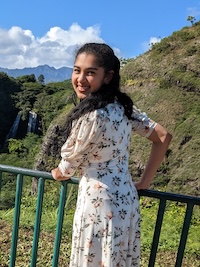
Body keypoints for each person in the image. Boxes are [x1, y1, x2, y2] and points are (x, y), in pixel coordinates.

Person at [51, 43, 172, 267]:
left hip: (98, 206)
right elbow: (163, 136)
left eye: (90, 73)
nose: (80, 79)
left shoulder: (92, 115)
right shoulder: (123, 107)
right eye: (77, 70)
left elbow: (68, 167)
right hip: (126, 202)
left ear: (107, 77)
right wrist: (144, 181)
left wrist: (57, 173)